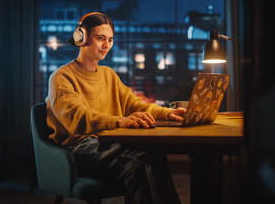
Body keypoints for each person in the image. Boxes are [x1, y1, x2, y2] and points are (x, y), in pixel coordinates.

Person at [45, 12, 186, 204]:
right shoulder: (61, 77)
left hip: (107, 142)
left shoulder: (108, 74)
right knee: (142, 159)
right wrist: (120, 121)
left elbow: (134, 104)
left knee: (146, 161)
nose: (107, 45)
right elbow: (77, 118)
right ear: (81, 37)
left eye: (110, 39)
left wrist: (168, 113)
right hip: (77, 150)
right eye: (100, 38)